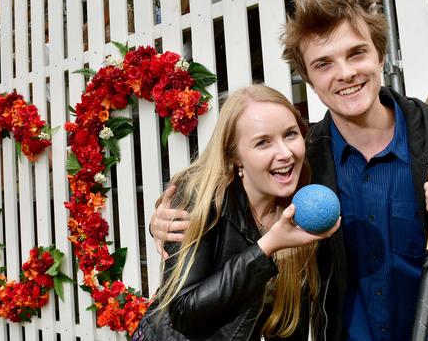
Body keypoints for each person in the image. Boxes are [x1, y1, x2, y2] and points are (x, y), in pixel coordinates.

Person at [150, 0, 428, 341]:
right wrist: (175, 221)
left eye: (356, 53)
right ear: (308, 78)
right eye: (323, 64)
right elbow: (232, 205)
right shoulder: (301, 160)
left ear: (380, 55)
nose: (345, 73)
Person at [135, 85, 340, 341]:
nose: (285, 153)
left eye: (290, 134)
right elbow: (183, 312)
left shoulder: (303, 204)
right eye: (263, 142)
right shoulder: (201, 196)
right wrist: (267, 247)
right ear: (235, 156)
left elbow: (289, 318)